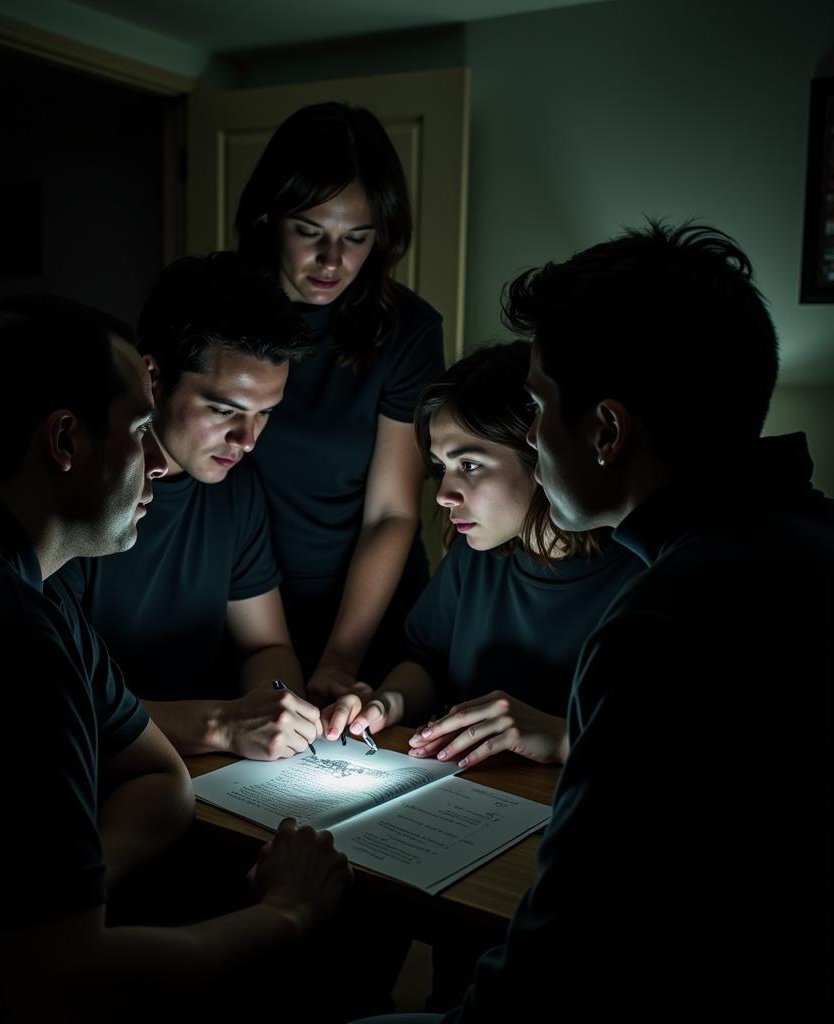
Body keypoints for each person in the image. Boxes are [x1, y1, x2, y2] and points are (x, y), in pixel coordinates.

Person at [0, 295, 352, 1021]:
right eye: (138, 428)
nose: (155, 460)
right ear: (65, 441)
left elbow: (160, 772)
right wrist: (289, 912)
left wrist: (76, 885)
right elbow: (59, 987)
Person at [381, 221, 830, 1023]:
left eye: (541, 406)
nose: (535, 435)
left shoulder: (664, 622)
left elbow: (561, 963)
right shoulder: (803, 537)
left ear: (607, 430)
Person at [322, 342, 643, 780]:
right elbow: (426, 660)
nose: (441, 493)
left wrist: (564, 735)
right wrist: (387, 702)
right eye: (441, 467)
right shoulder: (478, 557)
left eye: (470, 464)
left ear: (539, 452)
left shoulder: (647, 575)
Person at [60, 253, 323, 760]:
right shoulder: (78, 490)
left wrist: (278, 708)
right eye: (224, 410)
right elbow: (60, 703)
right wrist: (223, 724)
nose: (247, 440)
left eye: (265, 414)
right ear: (150, 376)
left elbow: (265, 646)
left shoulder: (235, 488)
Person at [236, 101, 445, 702]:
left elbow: (391, 513)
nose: (333, 262)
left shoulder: (407, 331)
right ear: (270, 218)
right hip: (245, 606)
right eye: (310, 232)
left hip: (366, 615)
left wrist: (338, 659)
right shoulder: (221, 311)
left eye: (356, 239)